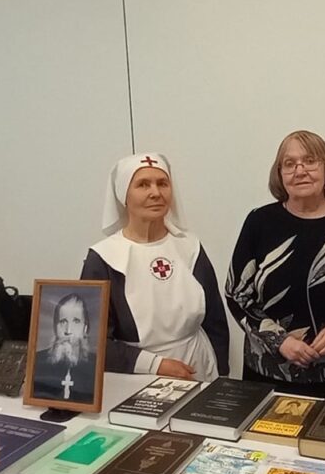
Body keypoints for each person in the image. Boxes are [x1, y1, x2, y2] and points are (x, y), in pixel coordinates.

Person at [227, 130, 325, 397]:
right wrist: (278, 340)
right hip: (267, 371)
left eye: (310, 161)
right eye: (289, 164)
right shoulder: (259, 222)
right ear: (279, 173)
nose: (300, 170)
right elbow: (237, 295)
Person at [81, 153, 228, 381]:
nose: (156, 193)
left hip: (198, 367)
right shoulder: (103, 258)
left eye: (162, 183)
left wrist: (223, 374)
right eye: (143, 185)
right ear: (124, 195)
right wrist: (155, 365)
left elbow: (215, 321)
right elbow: (91, 342)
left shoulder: (190, 247)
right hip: (134, 375)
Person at [32, 293, 98, 403]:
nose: (68, 330)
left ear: (85, 328)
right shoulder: (37, 361)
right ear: (55, 327)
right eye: (63, 322)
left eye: (76, 321)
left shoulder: (96, 365)